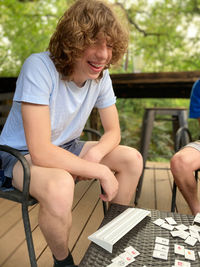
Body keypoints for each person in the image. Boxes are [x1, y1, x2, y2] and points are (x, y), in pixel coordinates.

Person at [0, 0, 143, 266]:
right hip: (19, 156)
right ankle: (63, 262)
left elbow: (113, 132)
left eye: (109, 45)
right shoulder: (39, 67)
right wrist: (99, 170)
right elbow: (41, 152)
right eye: (94, 42)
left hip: (68, 146)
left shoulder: (101, 76)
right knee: (60, 184)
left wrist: (96, 155)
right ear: (73, 40)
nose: (103, 55)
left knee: (131, 159)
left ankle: (113, 243)